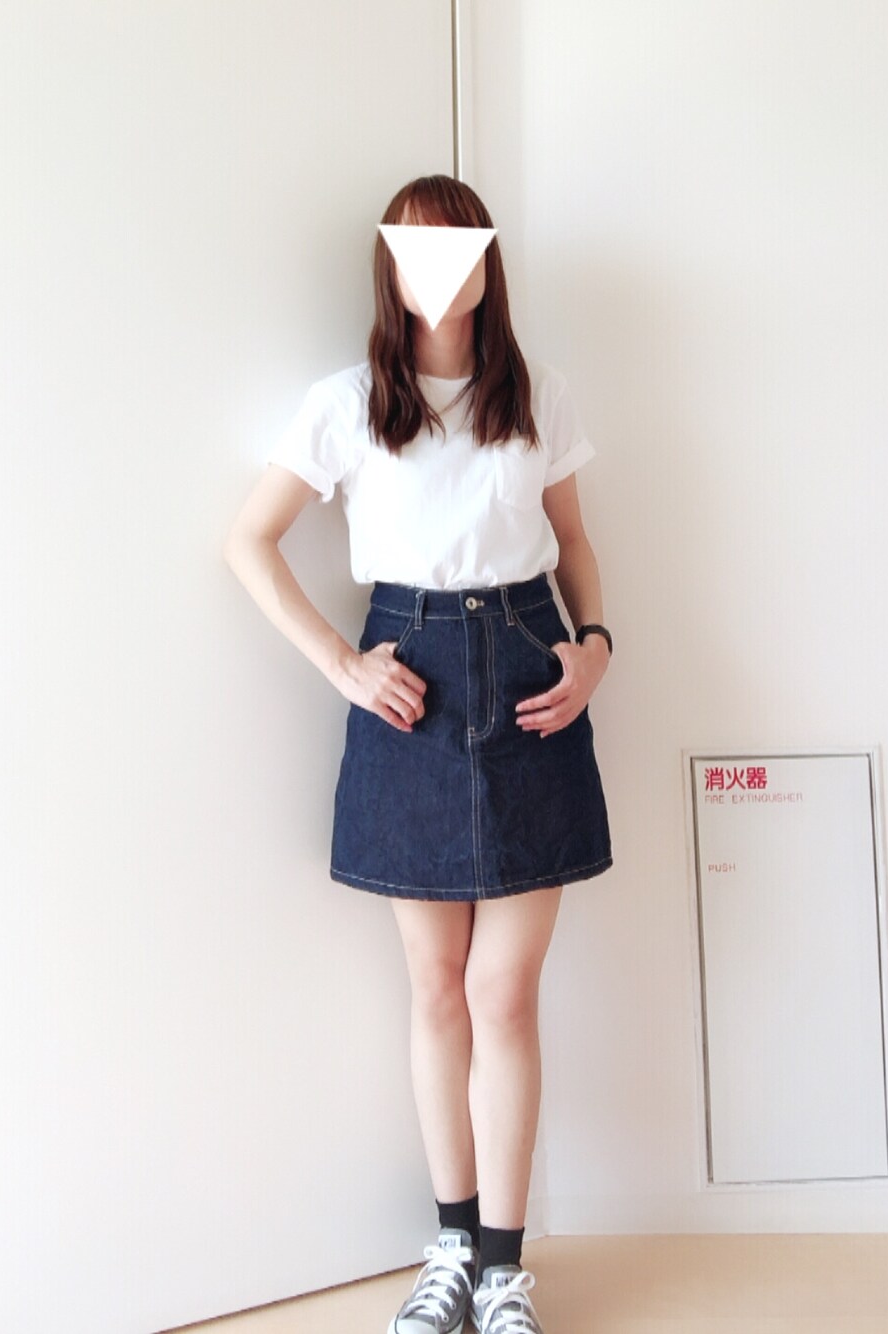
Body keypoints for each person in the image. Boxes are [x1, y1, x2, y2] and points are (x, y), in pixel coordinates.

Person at [224, 175, 612, 1334]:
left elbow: (575, 542)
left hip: (532, 674)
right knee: (437, 986)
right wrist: (343, 664)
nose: (441, 268)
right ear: (389, 267)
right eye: (417, 249)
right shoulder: (347, 403)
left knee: (503, 988)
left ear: (489, 263)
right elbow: (248, 539)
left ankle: (503, 1268)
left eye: (461, 247)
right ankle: (450, 1245)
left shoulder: (535, 394)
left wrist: (595, 646)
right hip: (413, 687)